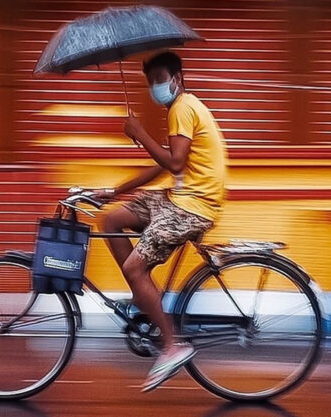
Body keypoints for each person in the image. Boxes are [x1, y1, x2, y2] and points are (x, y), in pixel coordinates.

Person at [92, 51, 228, 392]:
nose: (155, 87)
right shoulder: (181, 110)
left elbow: (176, 163)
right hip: (178, 198)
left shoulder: (183, 106)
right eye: (150, 81)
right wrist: (115, 191)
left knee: (134, 268)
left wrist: (140, 132)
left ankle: (172, 346)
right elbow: (163, 166)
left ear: (176, 79)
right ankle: (143, 295)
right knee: (110, 219)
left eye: (159, 79)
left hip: (193, 207)